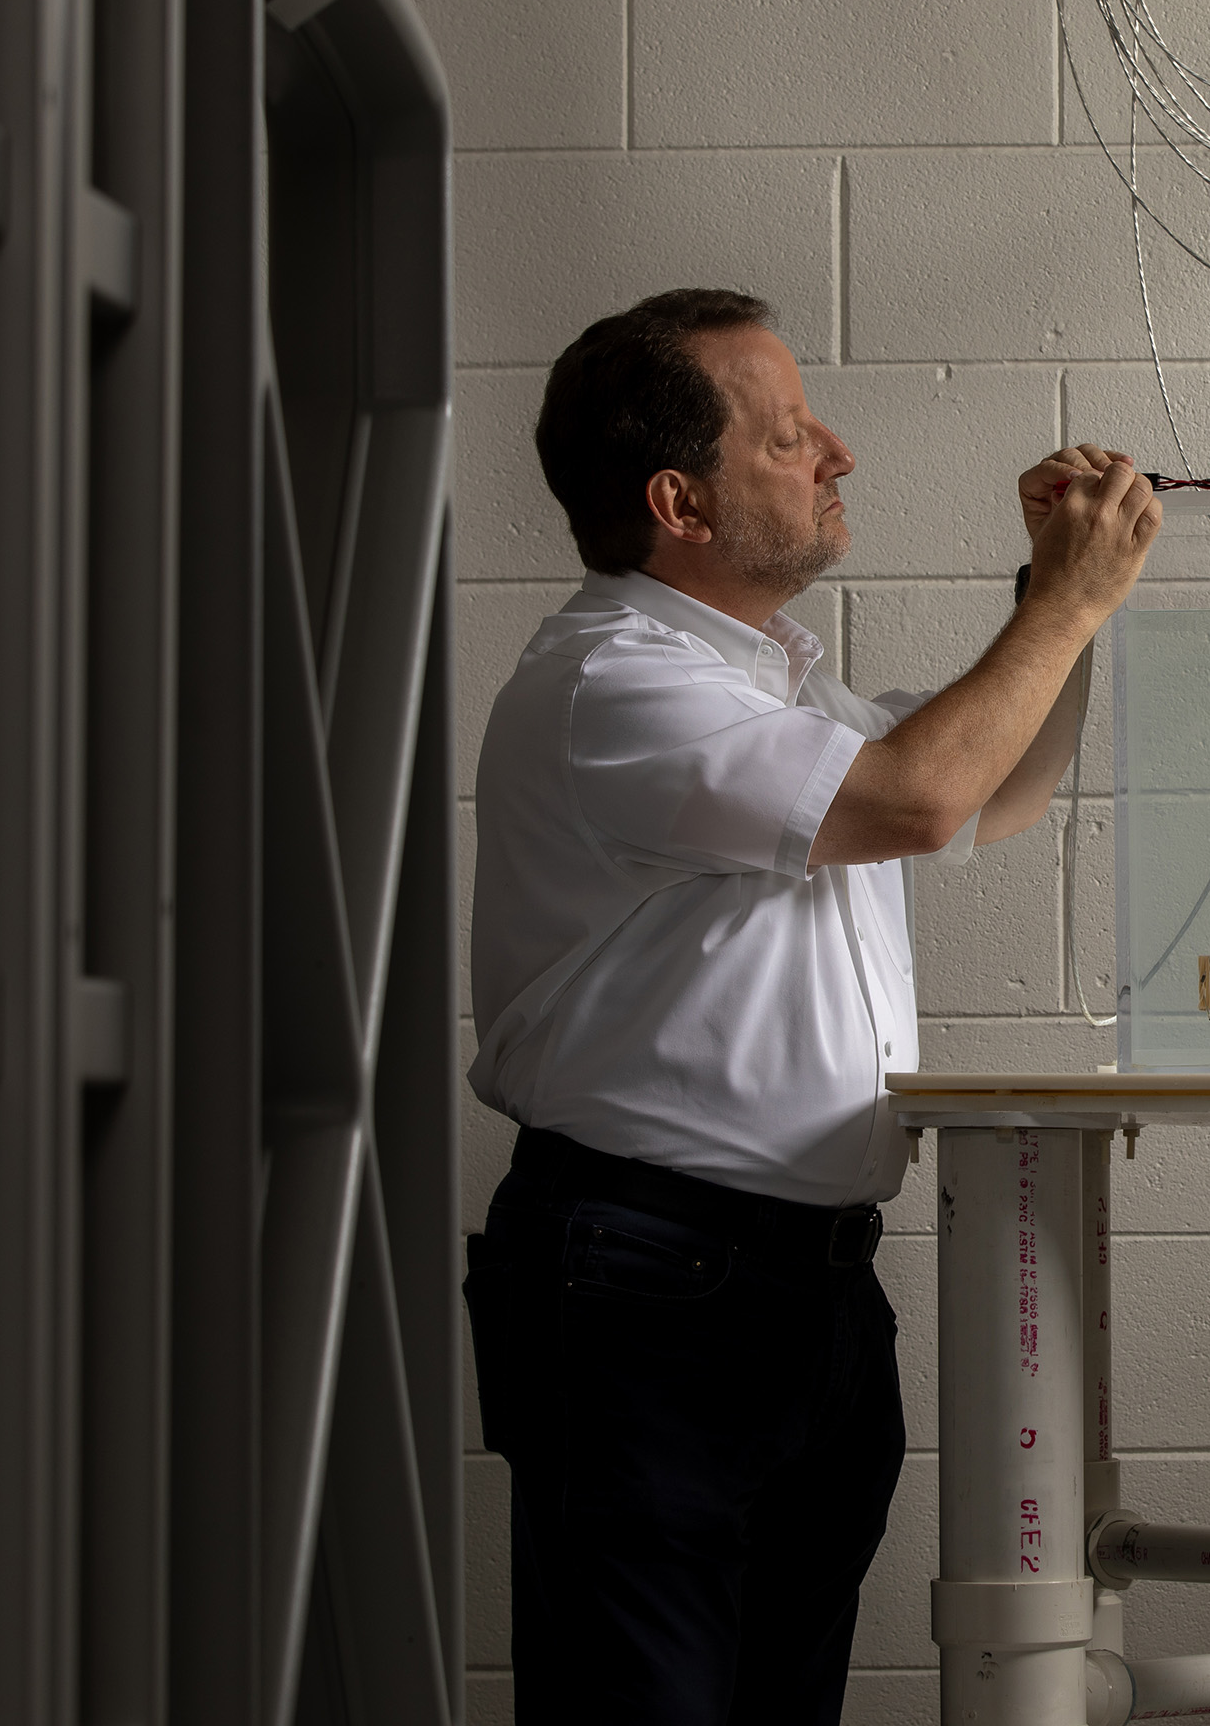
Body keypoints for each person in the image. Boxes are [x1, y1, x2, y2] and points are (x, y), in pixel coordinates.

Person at [460, 287, 1160, 1724]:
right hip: (649, 1284)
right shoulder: (615, 684)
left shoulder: (775, 692)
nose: (834, 452)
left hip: (799, 1283)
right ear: (682, 502)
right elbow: (921, 795)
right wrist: (1074, 599)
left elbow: (993, 789)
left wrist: (1053, 602)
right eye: (786, 436)